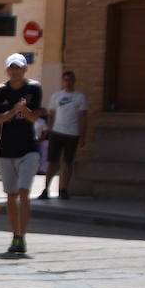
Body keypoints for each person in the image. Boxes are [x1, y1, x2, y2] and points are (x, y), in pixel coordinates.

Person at [0, 53, 44, 256]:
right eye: (11, 68)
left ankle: (23, 235)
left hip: (28, 148)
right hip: (6, 149)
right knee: (11, 195)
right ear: (7, 70)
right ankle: (15, 235)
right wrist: (13, 111)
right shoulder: (0, 91)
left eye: (18, 67)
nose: (15, 71)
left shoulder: (34, 88)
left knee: (23, 192)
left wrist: (24, 109)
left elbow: (34, 118)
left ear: (24, 69)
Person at [40, 70, 88, 200]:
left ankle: (64, 189)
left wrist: (83, 136)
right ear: (63, 81)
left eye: (70, 80)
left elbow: (83, 117)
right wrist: (49, 130)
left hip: (72, 134)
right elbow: (51, 114)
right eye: (66, 80)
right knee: (51, 162)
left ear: (74, 81)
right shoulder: (56, 96)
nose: (68, 82)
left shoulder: (80, 97)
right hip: (57, 132)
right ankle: (46, 189)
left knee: (68, 162)